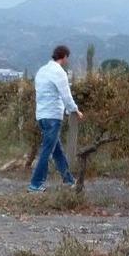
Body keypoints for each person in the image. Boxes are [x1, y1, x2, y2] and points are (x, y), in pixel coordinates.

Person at [28, 45, 84, 192]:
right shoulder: (59, 72)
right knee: (47, 150)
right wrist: (75, 110)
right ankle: (36, 184)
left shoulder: (42, 71)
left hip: (41, 115)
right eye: (67, 58)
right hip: (53, 116)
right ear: (64, 57)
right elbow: (66, 95)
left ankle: (68, 179)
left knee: (57, 150)